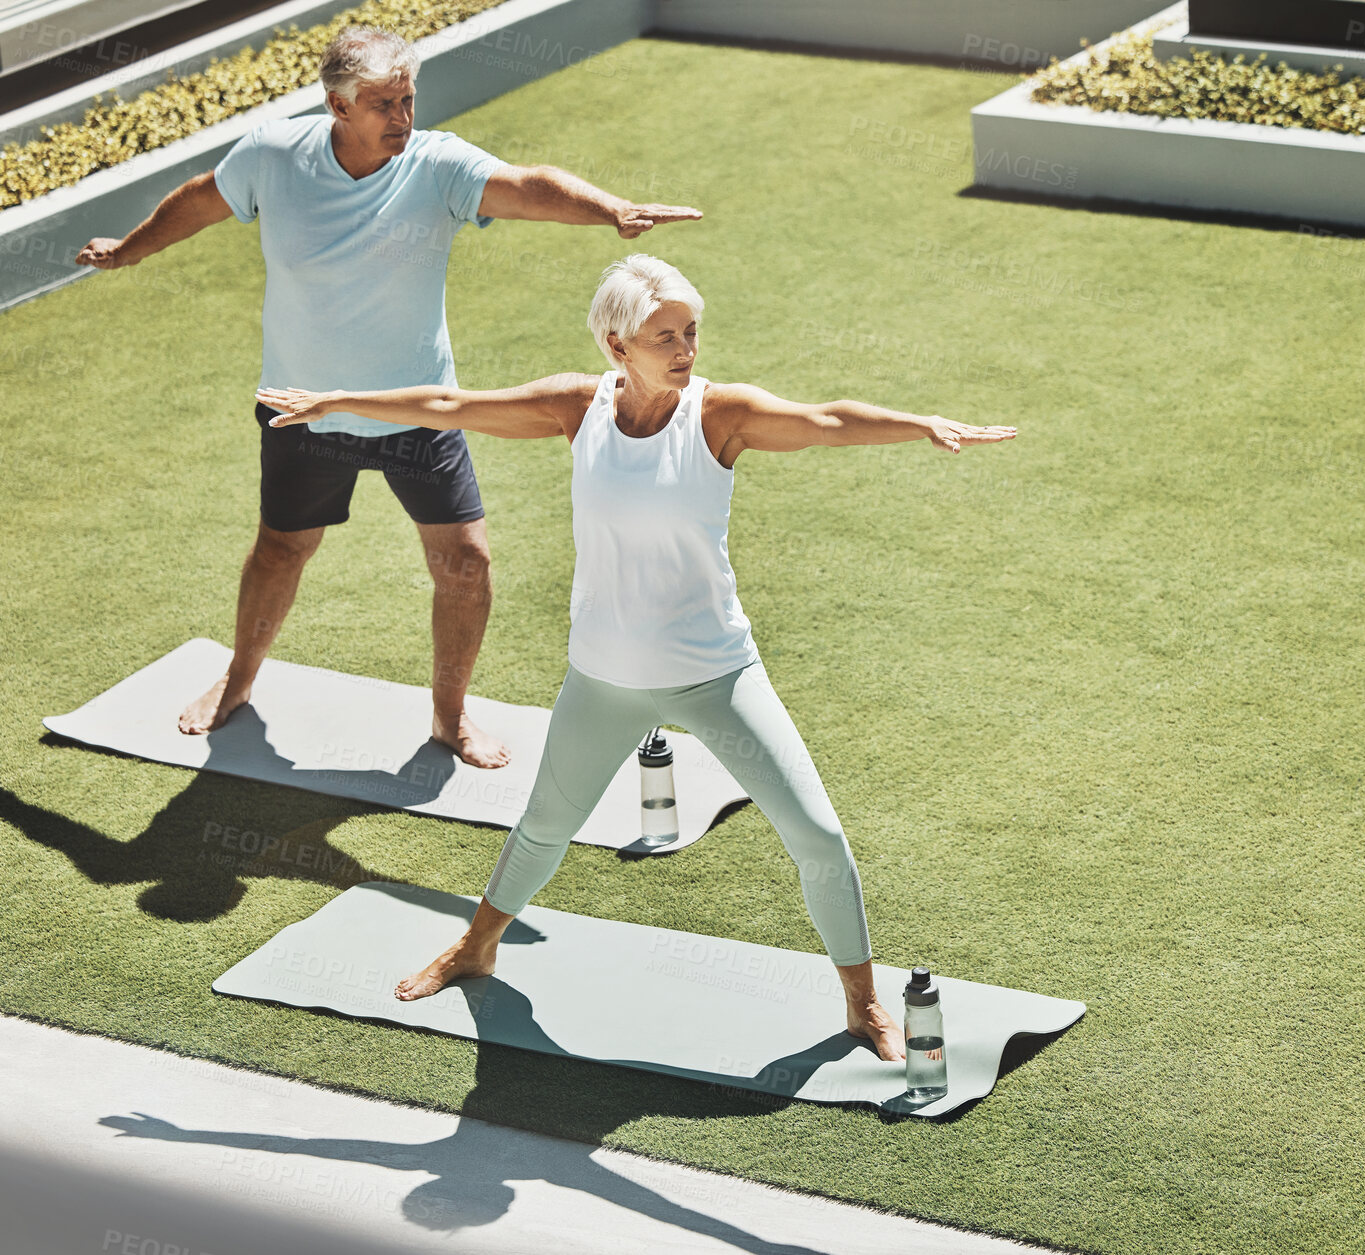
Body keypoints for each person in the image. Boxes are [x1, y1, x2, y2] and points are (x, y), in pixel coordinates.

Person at [257, 254, 1017, 1060]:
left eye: (691, 332)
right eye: (666, 337)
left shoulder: (721, 415)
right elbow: (451, 405)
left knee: (817, 836)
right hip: (604, 677)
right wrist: (337, 401)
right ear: (618, 346)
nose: (686, 349)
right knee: (546, 823)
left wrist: (917, 423)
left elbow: (825, 419)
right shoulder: (573, 406)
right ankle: (474, 945)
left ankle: (863, 1004)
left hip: (716, 673)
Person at [74, 26, 701, 768]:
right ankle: (238, 679)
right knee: (281, 547)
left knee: (466, 561)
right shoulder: (273, 156)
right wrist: (128, 248)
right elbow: (200, 201)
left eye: (408, 99)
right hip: (302, 405)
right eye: (384, 105)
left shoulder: (436, 165)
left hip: (417, 409)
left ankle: (449, 716)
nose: (403, 118)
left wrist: (610, 209)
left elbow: (526, 185)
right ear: (338, 106)